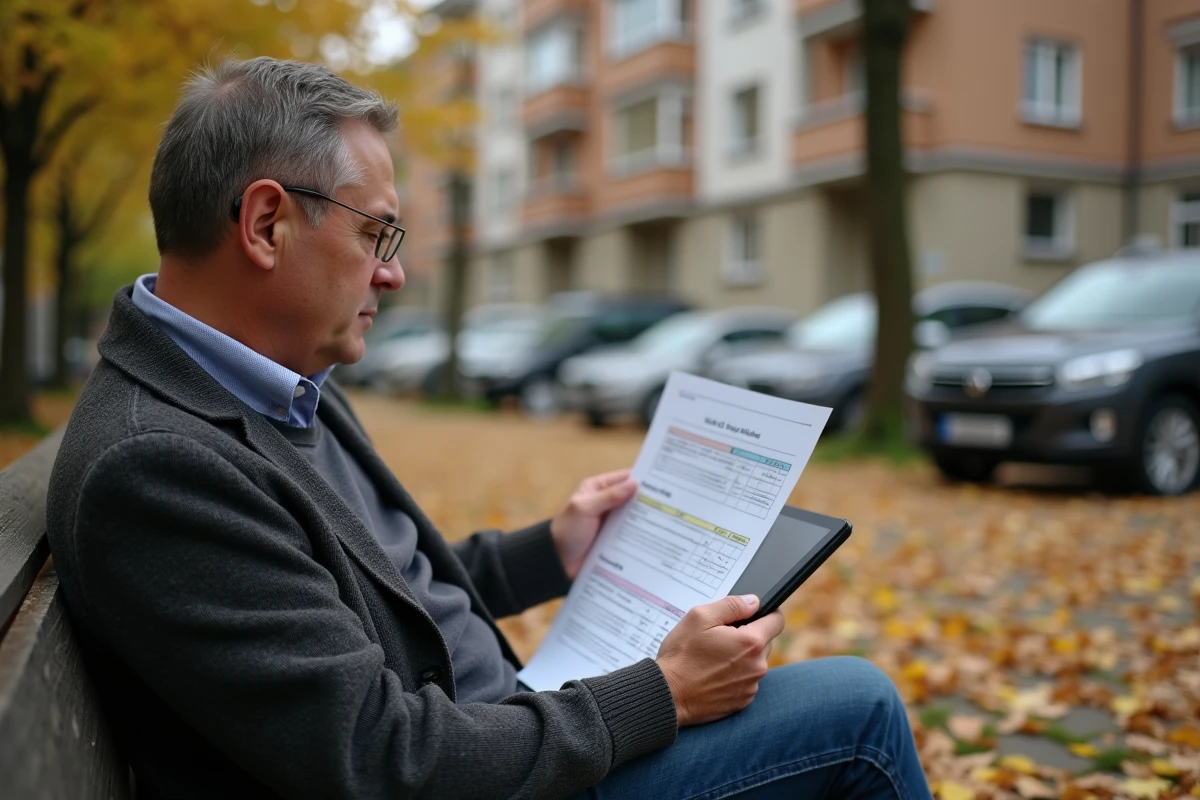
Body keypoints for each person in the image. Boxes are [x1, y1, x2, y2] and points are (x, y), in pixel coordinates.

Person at [46, 57, 930, 800]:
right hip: (486, 768)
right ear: (267, 224)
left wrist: (550, 549)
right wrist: (660, 693)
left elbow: (374, 591)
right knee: (857, 707)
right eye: (378, 234)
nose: (392, 276)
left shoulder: (272, 384)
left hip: (507, 726)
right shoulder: (157, 462)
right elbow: (383, 759)